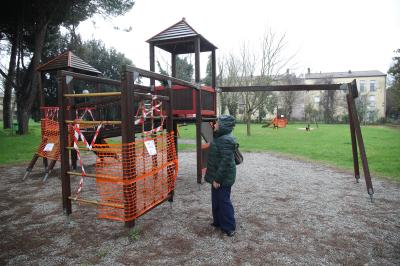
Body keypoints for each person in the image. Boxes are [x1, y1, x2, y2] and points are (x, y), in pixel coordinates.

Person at [204, 115, 237, 237]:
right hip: (216, 176)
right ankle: (218, 221)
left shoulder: (226, 140)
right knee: (216, 199)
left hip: (222, 178)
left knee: (223, 201)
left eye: (217, 123)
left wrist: (218, 179)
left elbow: (225, 163)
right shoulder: (220, 137)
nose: (215, 125)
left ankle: (229, 227)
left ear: (223, 125)